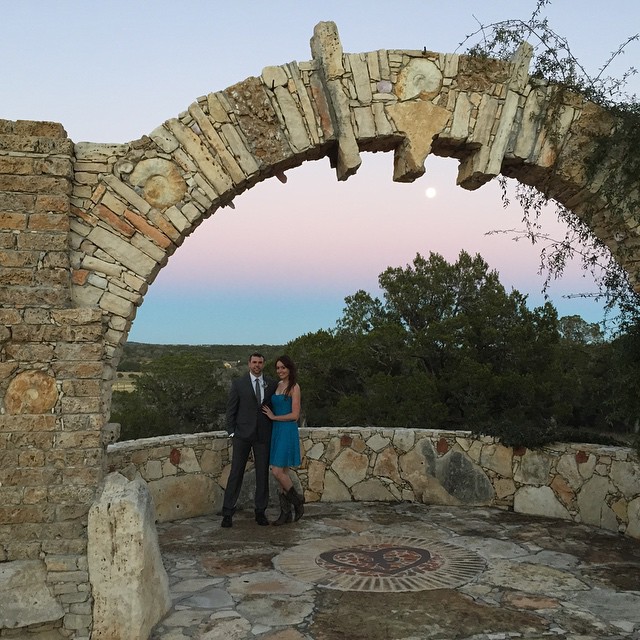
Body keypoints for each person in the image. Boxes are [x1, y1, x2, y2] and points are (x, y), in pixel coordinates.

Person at [221, 352, 276, 528]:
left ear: (263, 364)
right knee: (236, 473)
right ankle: (228, 512)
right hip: (242, 436)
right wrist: (232, 433)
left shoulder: (271, 384)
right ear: (249, 364)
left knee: (262, 474)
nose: (257, 365)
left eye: (260, 362)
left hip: (263, 435)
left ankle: (260, 511)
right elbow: (231, 410)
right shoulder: (239, 384)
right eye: (254, 362)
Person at [261, 355, 304, 525]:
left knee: (276, 471)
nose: (280, 370)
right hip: (276, 431)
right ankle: (285, 514)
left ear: (289, 368)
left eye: (283, 367)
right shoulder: (277, 385)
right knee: (282, 474)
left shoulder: (294, 387)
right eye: (278, 368)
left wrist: (274, 417)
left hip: (286, 430)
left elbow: (295, 415)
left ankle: (298, 502)